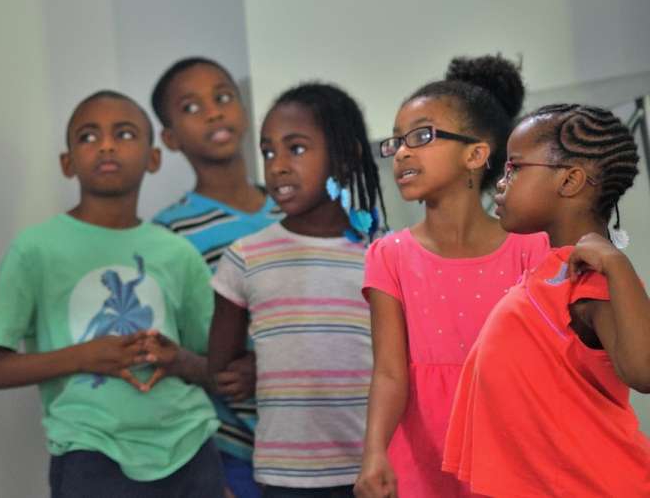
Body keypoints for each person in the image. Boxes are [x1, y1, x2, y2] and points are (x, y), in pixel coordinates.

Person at [0, 91, 221, 497]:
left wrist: (176, 358)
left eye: (124, 133)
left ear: (153, 157)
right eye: (89, 137)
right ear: (67, 163)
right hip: (90, 452)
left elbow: (214, 366)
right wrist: (83, 357)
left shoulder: (178, 253)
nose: (106, 145)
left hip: (189, 447)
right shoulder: (35, 249)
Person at [354, 56, 550, 498]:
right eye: (397, 141)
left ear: (476, 154)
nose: (402, 151)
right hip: (424, 458)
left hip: (514, 454)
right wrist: (374, 452)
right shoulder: (389, 256)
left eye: (421, 136)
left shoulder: (532, 249)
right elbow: (388, 373)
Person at [443, 103, 650, 496]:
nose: (500, 184)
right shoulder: (549, 271)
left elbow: (644, 371)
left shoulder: (591, 277)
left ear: (570, 180)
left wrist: (616, 264)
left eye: (515, 168)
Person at [210, 83, 383, 497]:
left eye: (297, 149)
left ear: (346, 157)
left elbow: (404, 361)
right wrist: (263, 365)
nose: (278, 166)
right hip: (285, 478)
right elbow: (223, 371)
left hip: (374, 469)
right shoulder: (245, 257)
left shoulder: (382, 254)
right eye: (269, 152)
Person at [151, 57, 280, 497]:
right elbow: (165, 348)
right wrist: (214, 372)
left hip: (321, 442)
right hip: (233, 451)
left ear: (244, 111)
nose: (214, 111)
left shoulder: (296, 211)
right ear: (169, 138)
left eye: (224, 97)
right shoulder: (168, 234)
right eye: (192, 107)